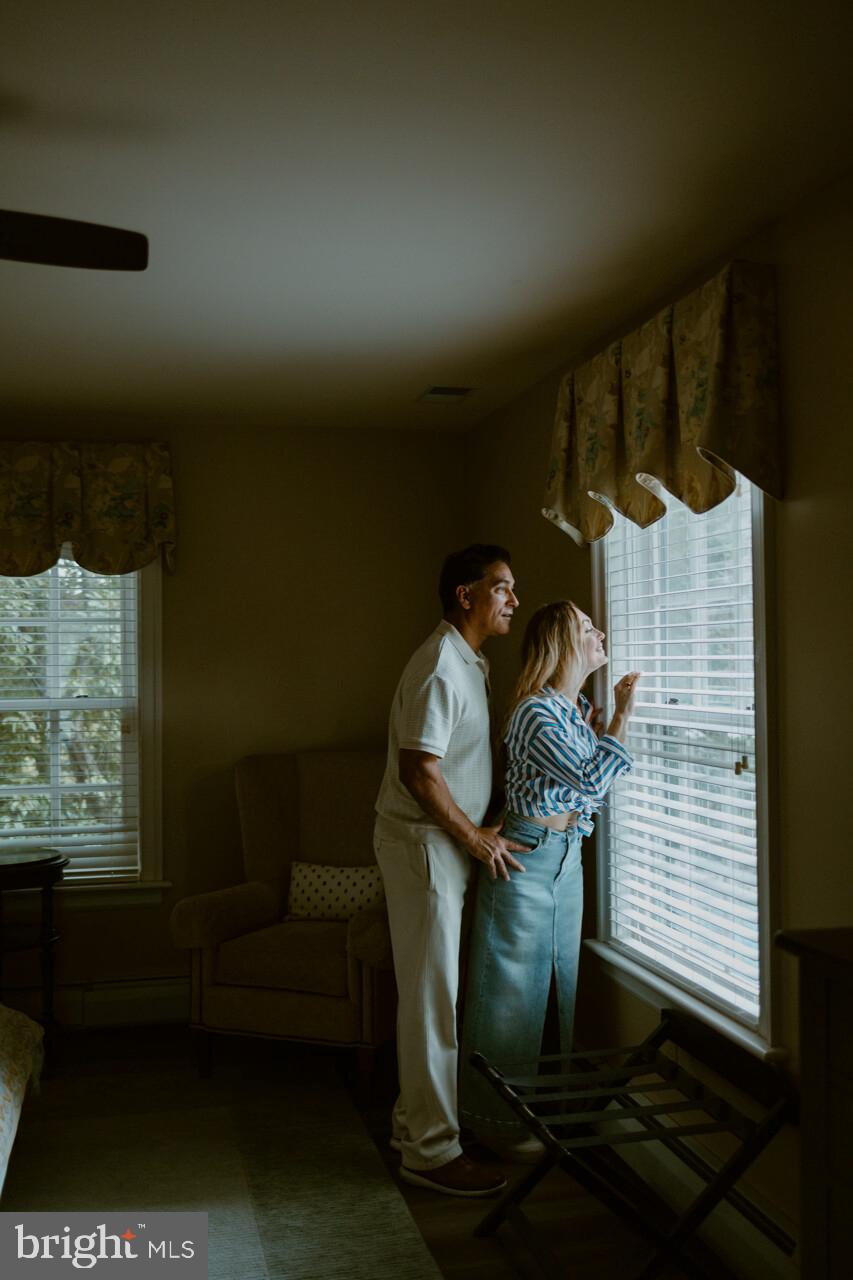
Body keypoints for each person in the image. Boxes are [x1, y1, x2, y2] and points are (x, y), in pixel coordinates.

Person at [374, 544, 531, 1197]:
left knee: (433, 996)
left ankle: (412, 1126)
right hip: (424, 848)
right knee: (432, 1002)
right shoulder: (441, 664)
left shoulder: (471, 661)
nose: (513, 600)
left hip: (441, 845)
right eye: (501, 587)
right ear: (465, 595)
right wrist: (474, 838)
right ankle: (431, 1153)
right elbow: (419, 770)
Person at [459, 599, 640, 1159]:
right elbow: (589, 781)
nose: (599, 632)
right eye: (587, 627)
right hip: (527, 858)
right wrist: (622, 718)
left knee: (557, 990)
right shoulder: (535, 713)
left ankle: (537, 1113)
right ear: (563, 645)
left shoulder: (573, 709)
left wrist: (600, 724)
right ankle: (493, 1123)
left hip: (567, 858)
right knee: (509, 995)